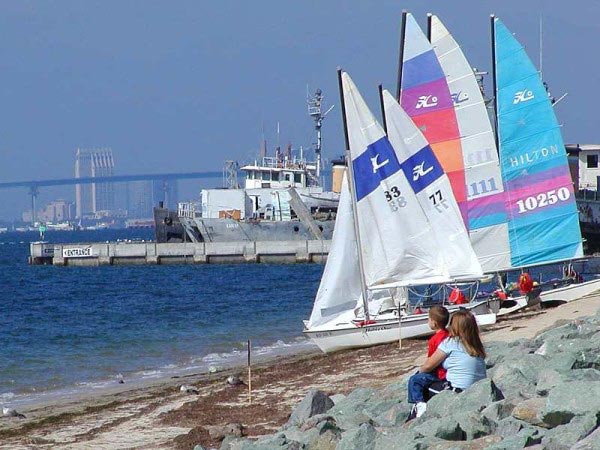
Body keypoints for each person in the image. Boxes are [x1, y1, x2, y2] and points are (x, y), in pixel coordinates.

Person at [407, 309, 486, 419]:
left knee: (417, 381)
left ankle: (418, 412)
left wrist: (418, 372)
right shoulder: (476, 345)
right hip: (477, 391)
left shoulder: (451, 343)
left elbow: (428, 366)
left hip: (456, 391)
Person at [406, 306, 450, 419]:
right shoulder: (449, 334)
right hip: (448, 371)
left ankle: (419, 403)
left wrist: (421, 370)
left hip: (439, 374)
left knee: (414, 380)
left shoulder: (434, 340)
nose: (428, 321)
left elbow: (431, 361)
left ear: (434, 323)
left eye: (429, 319)